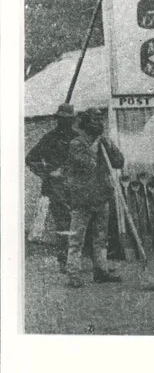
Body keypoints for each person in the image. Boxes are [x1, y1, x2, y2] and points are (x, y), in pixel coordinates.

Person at [64, 108, 125, 288]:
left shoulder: (103, 142)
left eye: (100, 120)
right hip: (82, 198)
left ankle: (101, 271)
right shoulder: (76, 143)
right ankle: (73, 274)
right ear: (85, 123)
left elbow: (119, 162)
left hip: (101, 196)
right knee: (77, 239)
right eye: (94, 120)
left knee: (101, 237)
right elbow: (86, 164)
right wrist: (97, 144)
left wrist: (109, 145)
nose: (98, 124)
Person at [26, 103, 80, 273]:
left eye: (69, 119)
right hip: (56, 189)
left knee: (79, 223)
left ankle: (76, 261)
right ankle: (64, 262)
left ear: (72, 120)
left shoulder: (78, 138)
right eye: (63, 119)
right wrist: (49, 172)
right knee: (63, 224)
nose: (66, 122)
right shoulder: (49, 138)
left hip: (77, 187)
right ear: (58, 119)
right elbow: (31, 159)